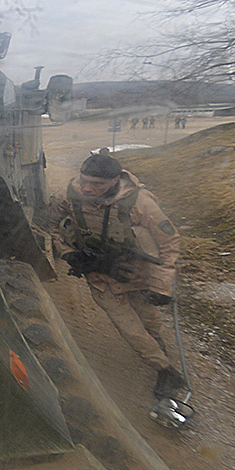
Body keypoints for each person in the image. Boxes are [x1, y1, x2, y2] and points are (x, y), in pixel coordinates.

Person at [49, 150, 188, 402]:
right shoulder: (68, 195)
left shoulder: (140, 202)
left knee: (149, 320)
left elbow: (169, 242)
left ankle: (158, 347)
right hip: (100, 277)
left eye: (97, 184)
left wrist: (162, 286)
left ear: (115, 180)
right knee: (131, 330)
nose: (87, 189)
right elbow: (50, 225)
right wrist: (70, 254)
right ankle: (164, 370)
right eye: (84, 181)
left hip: (135, 273)